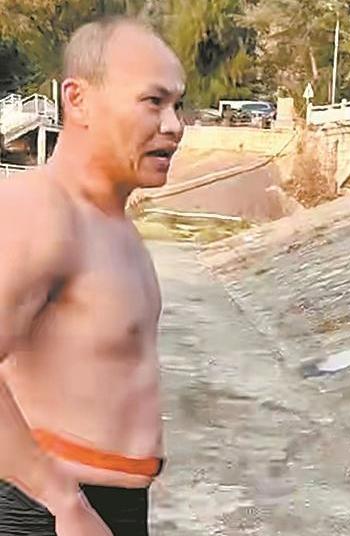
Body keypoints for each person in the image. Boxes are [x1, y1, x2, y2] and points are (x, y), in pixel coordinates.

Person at [0, 16, 185, 536]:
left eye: (179, 105)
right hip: (45, 509)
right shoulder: (40, 209)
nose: (174, 126)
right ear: (77, 100)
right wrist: (63, 502)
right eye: (153, 101)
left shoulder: (116, 226)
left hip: (109, 505)